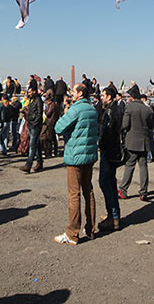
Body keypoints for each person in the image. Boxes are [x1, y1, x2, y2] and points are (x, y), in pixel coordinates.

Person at [53, 83, 98, 245]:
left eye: (73, 91)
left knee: (74, 194)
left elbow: (58, 127)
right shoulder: (92, 109)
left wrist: (65, 112)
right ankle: (91, 228)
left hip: (75, 156)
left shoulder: (75, 109)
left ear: (79, 94)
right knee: (89, 191)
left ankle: (72, 233)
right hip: (89, 155)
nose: (71, 93)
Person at [119, 85, 154, 201]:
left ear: (132, 97)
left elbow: (125, 125)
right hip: (144, 141)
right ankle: (143, 192)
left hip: (132, 141)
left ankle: (123, 190)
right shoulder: (147, 109)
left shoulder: (129, 108)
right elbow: (150, 125)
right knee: (143, 167)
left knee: (129, 166)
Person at [96, 85, 123, 231]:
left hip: (108, 152)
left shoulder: (110, 112)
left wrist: (101, 144)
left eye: (103, 96)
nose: (102, 98)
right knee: (110, 182)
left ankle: (113, 217)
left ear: (109, 97)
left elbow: (106, 132)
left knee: (105, 182)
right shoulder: (116, 109)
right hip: (114, 151)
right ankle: (113, 215)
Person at [20, 80, 44, 173]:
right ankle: (39, 162)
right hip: (30, 124)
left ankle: (28, 164)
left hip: (35, 125)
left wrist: (35, 122)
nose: (29, 93)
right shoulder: (32, 100)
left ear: (34, 91)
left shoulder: (38, 100)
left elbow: (39, 113)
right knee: (36, 144)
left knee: (32, 145)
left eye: (30, 92)